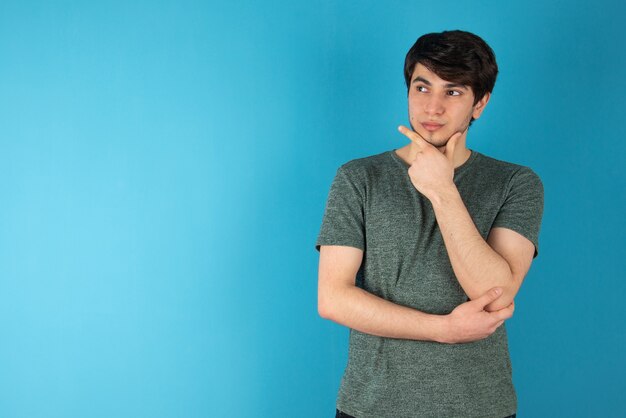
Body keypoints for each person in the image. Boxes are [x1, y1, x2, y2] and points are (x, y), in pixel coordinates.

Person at [315, 30, 544, 418]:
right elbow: (333, 299)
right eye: (423, 88)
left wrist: (443, 191)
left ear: (480, 104)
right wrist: (442, 328)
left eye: (453, 92)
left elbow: (496, 292)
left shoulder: (516, 183)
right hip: (372, 406)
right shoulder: (358, 178)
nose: (432, 107)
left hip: (479, 407)